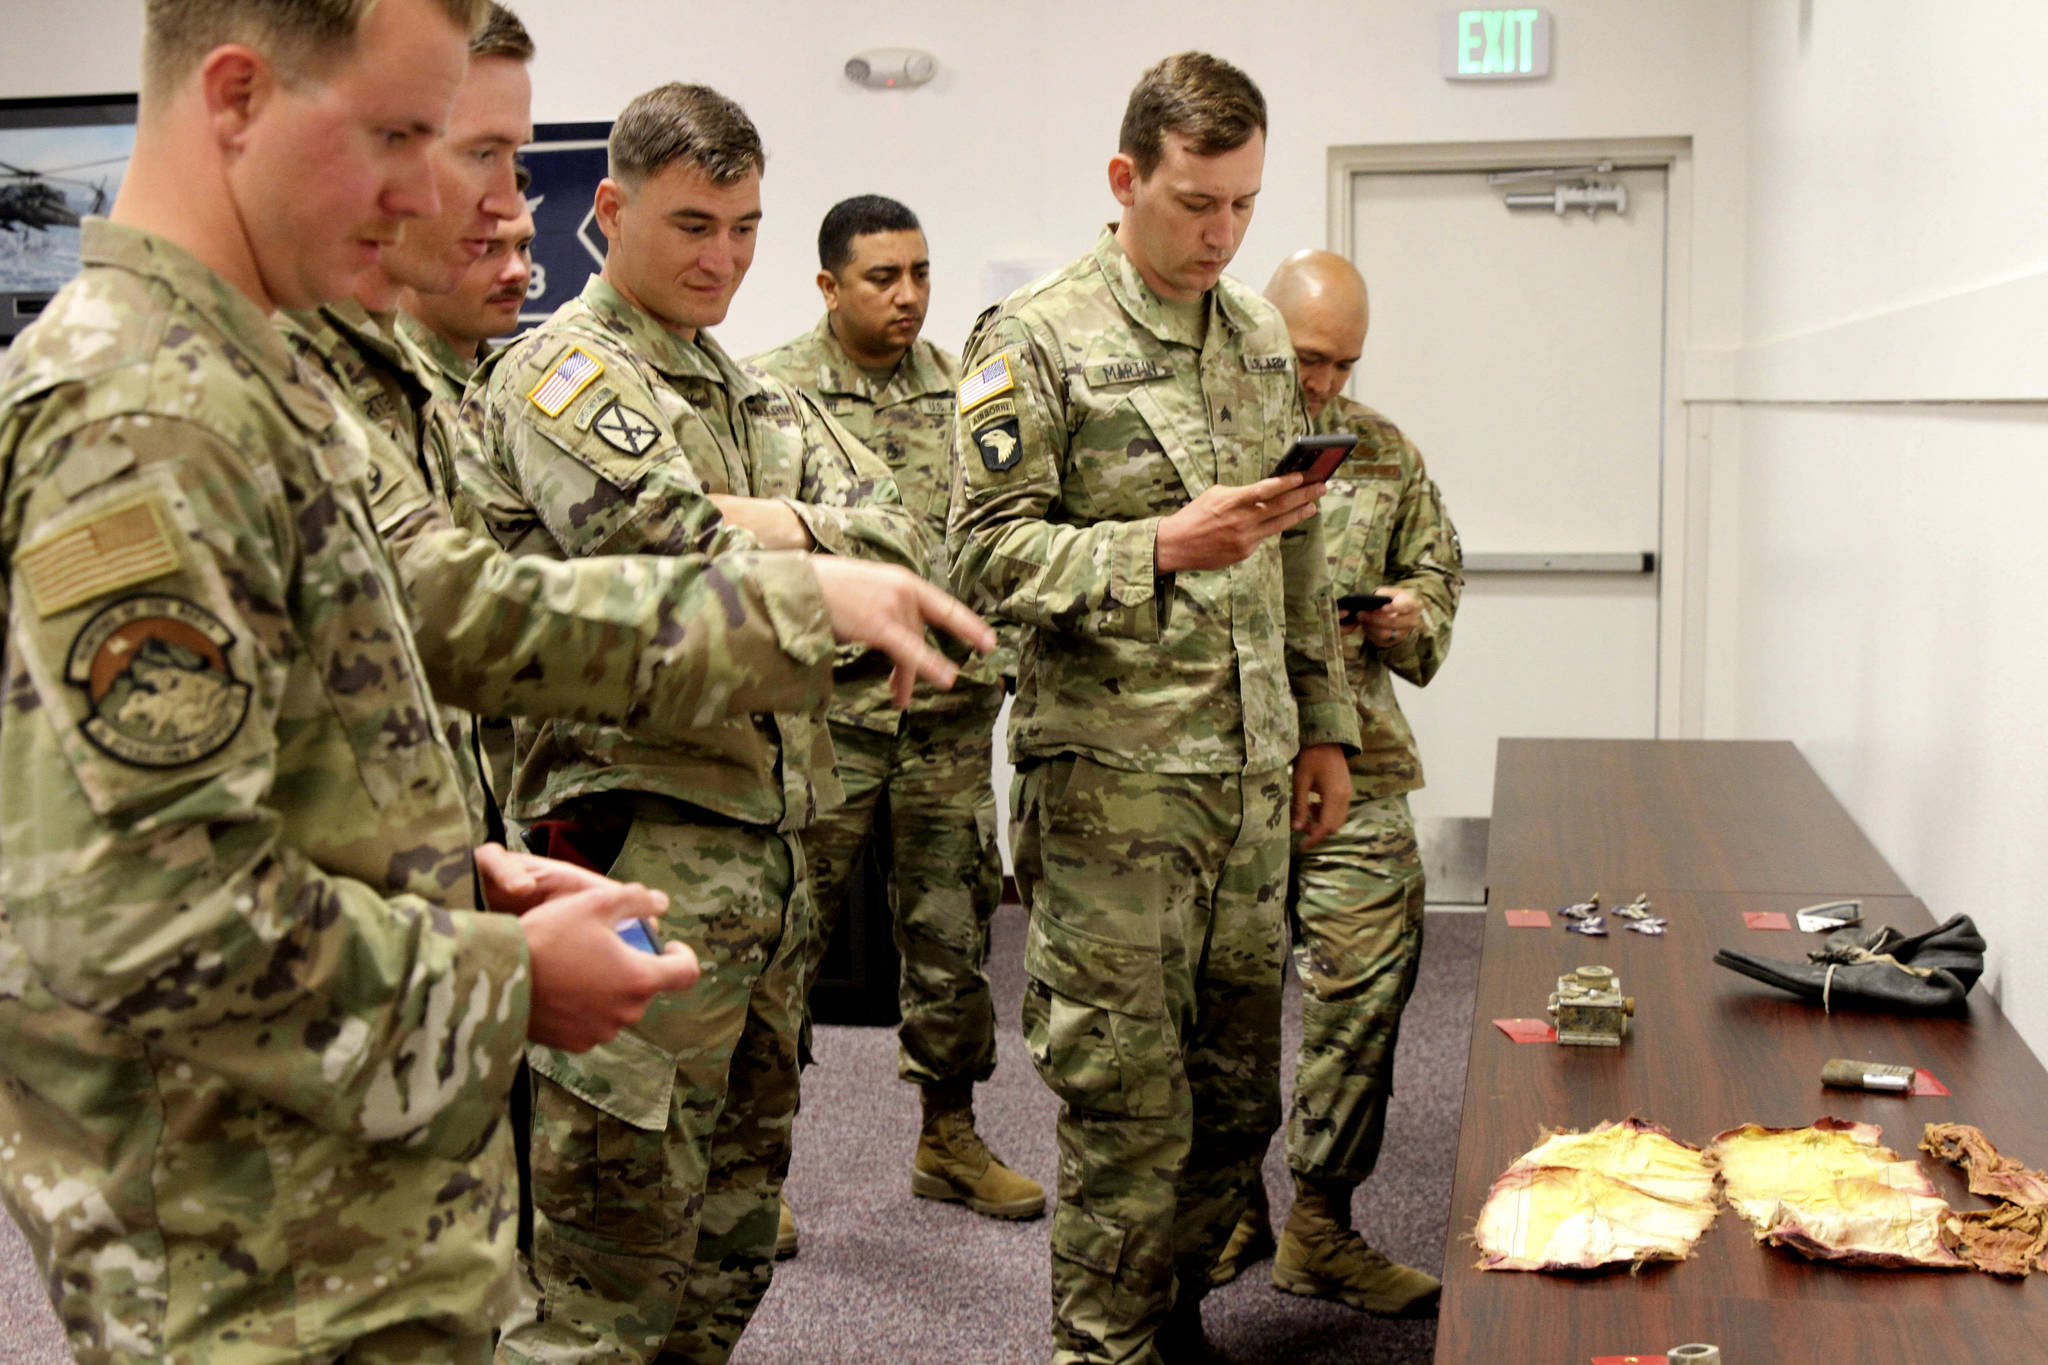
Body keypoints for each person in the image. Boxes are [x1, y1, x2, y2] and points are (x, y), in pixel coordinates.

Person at [0, 2, 703, 1360]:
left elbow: (270, 769)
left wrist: (454, 876)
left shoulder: (241, 377)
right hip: (248, 1256)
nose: (430, 189)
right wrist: (507, 980)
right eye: (399, 133)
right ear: (238, 96)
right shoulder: (146, 417)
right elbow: (154, 920)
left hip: (322, 1206)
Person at [472, 84, 940, 1365]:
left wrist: (762, 526)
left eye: (742, 228)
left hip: (770, 862)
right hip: (628, 859)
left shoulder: (746, 392)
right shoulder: (561, 373)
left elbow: (904, 531)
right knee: (600, 1270)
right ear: (610, 210)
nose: (720, 258)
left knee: (727, 1244)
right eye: (691, 223)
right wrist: (795, 535)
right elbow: (659, 545)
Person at [948, 52, 1361, 1364]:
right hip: (1114, 800)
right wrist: (1154, 549)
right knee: (1127, 1115)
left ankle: (1164, 1316)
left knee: (1236, 1106)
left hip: (1244, 788)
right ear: (1125, 180)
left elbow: (1293, 549)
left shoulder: (1249, 334)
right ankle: (1102, 1346)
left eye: (1243, 203)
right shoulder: (1036, 338)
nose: (1222, 233)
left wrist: (1327, 721)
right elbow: (979, 559)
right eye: (1196, 202)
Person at [750, 195, 1041, 1256]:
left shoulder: (969, 391)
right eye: (882, 277)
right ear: (828, 285)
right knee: (788, 935)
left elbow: (1001, 531)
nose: (908, 294)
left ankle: (947, 1136)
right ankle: (755, 1163)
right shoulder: (767, 394)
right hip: (825, 713)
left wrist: (996, 654)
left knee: (953, 929)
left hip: (948, 714)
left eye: (918, 272)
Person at [1207, 249, 1462, 1315]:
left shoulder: (1380, 452)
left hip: (1354, 764)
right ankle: (1222, 1210)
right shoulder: (1199, 436)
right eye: (1308, 359)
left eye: (1343, 364)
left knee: (1363, 990)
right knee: (1216, 1008)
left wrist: (1412, 613)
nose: (1322, 386)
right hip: (1217, 770)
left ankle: (1321, 1222)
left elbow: (1437, 570)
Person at [399, 159, 534, 400]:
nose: (517, 271)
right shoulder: (393, 390)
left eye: (523, 247)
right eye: (485, 248)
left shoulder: (508, 387)